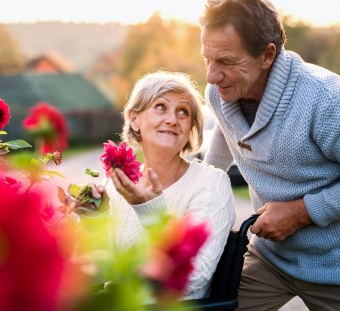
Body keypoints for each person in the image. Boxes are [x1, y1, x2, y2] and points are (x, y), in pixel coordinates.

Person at [199, 0, 340, 309]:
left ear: (267, 55)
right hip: (271, 257)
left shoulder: (329, 102)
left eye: (227, 62)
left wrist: (301, 212)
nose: (211, 76)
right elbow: (224, 133)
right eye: (207, 59)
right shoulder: (221, 91)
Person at [92, 70, 236, 299]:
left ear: (190, 129)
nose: (172, 119)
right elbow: (103, 264)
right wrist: (93, 219)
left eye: (183, 112)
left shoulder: (210, 183)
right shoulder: (119, 183)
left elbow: (193, 277)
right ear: (134, 119)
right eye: (161, 107)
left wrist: (152, 215)